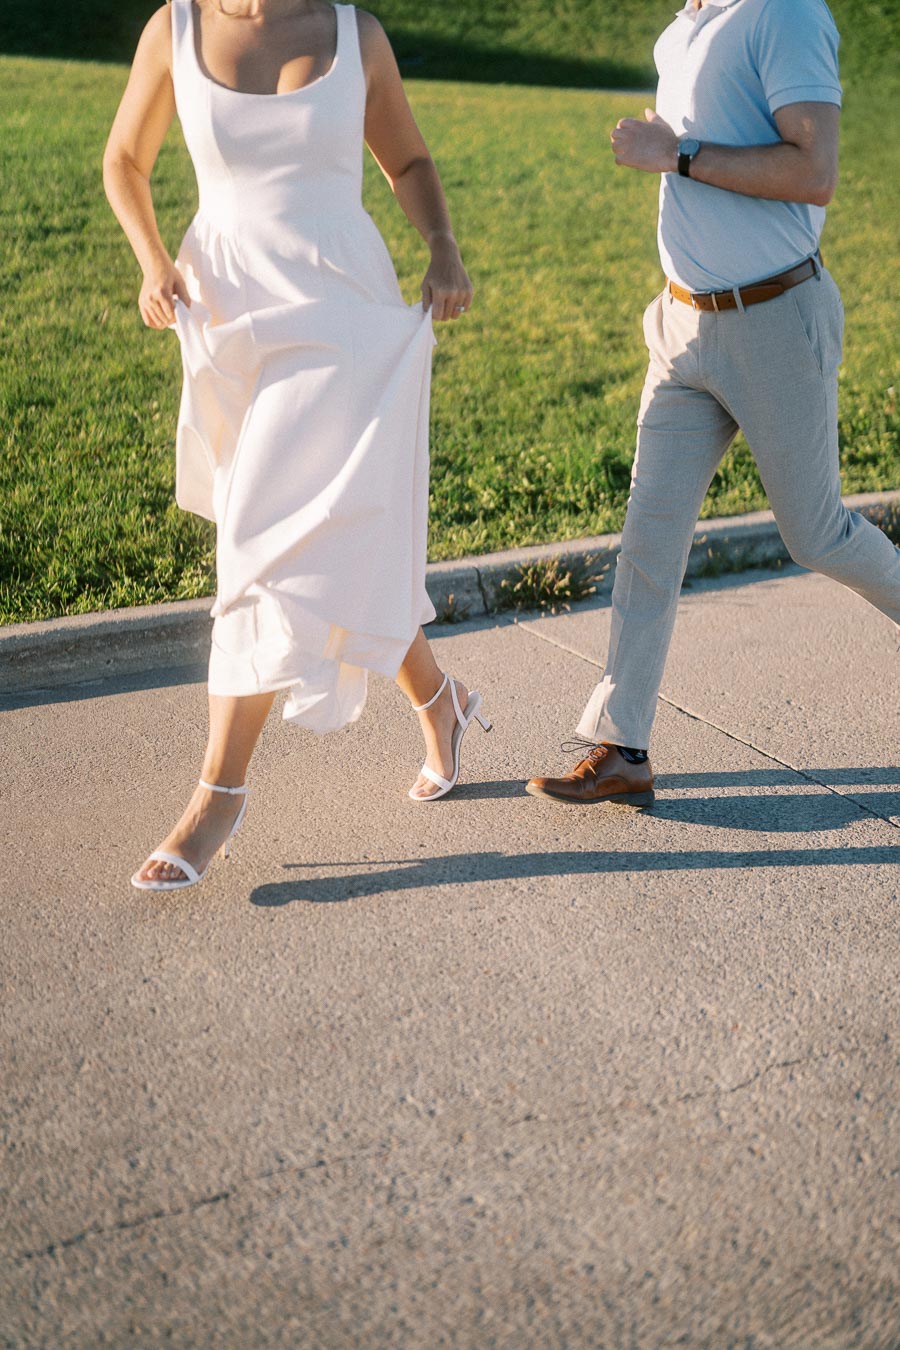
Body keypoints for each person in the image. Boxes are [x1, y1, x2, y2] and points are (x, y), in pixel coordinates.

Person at [104, 0, 490, 891]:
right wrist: (151, 260)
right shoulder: (177, 27)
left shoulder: (358, 33)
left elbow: (409, 158)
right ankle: (443, 703)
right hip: (229, 313)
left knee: (260, 542)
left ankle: (218, 797)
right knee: (332, 540)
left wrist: (442, 247)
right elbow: (125, 160)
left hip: (341, 305)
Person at [527, 0, 900, 808]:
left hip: (773, 322)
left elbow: (816, 170)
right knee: (648, 542)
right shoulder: (688, 19)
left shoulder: (786, 12)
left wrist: (681, 152)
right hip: (683, 327)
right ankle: (621, 746)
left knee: (818, 535)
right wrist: (670, 143)